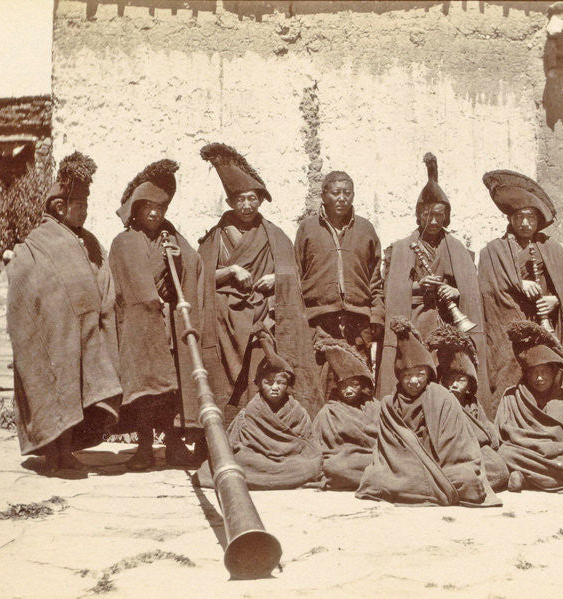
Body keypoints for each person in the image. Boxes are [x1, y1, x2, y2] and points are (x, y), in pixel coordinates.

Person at [6, 151, 120, 473]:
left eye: (86, 204)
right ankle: (53, 453)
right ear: (60, 208)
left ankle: (66, 451)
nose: (84, 211)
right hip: (53, 333)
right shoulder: (38, 242)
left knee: (76, 392)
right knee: (56, 388)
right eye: (79, 205)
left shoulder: (89, 241)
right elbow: (25, 277)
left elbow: (101, 275)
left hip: (83, 332)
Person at [197, 143, 320, 417]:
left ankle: (260, 432)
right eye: (240, 199)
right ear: (229, 203)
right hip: (222, 325)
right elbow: (199, 278)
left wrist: (277, 278)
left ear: (261, 200)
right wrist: (230, 271)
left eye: (252, 198)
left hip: (262, 320)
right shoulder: (214, 238)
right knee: (226, 384)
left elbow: (293, 274)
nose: (247, 205)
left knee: (258, 376)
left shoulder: (274, 236)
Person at [109, 159, 203, 470]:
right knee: (146, 390)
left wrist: (178, 261)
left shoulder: (172, 238)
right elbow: (132, 284)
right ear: (135, 209)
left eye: (160, 208)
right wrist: (162, 269)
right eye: (147, 206)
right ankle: (145, 447)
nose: (154, 213)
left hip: (172, 328)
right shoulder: (123, 243)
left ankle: (175, 446)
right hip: (140, 329)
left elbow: (193, 267)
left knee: (173, 389)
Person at [378, 153, 489, 406]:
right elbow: (392, 290)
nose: (435, 221)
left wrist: (454, 291)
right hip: (416, 321)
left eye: (440, 215)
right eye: (429, 214)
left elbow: (469, 289)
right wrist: (418, 286)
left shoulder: (458, 249)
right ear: (419, 215)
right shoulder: (401, 248)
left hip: (449, 324)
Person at [478, 170, 563, 417]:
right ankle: (507, 429)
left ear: (538, 219)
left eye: (530, 217)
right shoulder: (492, 252)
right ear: (510, 219)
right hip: (508, 331)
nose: (525, 223)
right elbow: (488, 293)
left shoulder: (554, 250)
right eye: (519, 217)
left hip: (546, 330)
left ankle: (553, 427)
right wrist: (517, 283)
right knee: (510, 377)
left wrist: (555, 301)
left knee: (545, 378)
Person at [357, 318, 500, 507]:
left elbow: (454, 447)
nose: (414, 381)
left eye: (420, 374)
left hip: (442, 465)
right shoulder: (389, 404)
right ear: (399, 377)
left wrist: (432, 468)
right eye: (407, 375)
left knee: (467, 478)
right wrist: (414, 465)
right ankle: (434, 489)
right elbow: (389, 449)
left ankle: (415, 489)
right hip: (405, 466)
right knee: (374, 477)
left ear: (429, 374)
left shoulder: (442, 397)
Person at [196, 330, 323, 490]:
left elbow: (310, 444)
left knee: (311, 464)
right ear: (259, 385)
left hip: (289, 459)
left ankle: (266, 478)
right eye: (268, 382)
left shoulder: (298, 411)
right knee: (241, 460)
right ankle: (284, 479)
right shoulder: (249, 413)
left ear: (287, 385)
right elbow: (231, 446)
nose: (275, 387)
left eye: (280, 382)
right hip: (258, 460)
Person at [295, 171, 384, 384]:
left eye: (347, 193)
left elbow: (375, 278)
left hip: (357, 322)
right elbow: (296, 273)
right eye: (335, 192)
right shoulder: (307, 228)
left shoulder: (366, 229)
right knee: (319, 383)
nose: (342, 198)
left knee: (356, 384)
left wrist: (377, 315)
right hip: (319, 321)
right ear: (324, 196)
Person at [495, 320, 563, 493]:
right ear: (526, 374)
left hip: (562, 453)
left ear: (553, 372)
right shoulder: (511, 395)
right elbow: (501, 434)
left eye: (544, 372)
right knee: (504, 454)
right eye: (534, 373)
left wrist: (557, 448)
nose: (539, 378)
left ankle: (528, 479)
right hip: (526, 453)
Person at [427, 324, 509, 492]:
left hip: (476, 451)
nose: (455, 384)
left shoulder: (472, 403)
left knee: (501, 469)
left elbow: (485, 428)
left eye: (461, 380)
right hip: (452, 453)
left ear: (470, 383)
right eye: (451, 379)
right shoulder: (438, 400)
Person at [311, 335, 380, 491]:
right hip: (342, 461)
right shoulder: (329, 411)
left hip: (372, 456)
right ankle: (374, 478)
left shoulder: (375, 407)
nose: (348, 390)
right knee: (335, 467)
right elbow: (315, 448)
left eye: (354, 385)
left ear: (362, 385)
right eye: (344, 386)